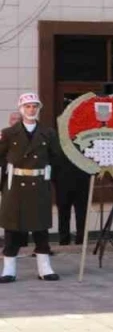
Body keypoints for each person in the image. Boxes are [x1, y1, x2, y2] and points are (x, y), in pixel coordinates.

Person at [0, 93, 60, 282]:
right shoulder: (9, 133)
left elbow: (56, 157)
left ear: (38, 109)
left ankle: (45, 268)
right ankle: (8, 269)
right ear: (21, 109)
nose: (31, 109)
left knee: (41, 228)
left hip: (39, 184)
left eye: (34, 106)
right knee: (12, 229)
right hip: (16, 185)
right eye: (27, 106)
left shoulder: (48, 133)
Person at [53, 131, 91, 248]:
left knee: (82, 213)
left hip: (82, 183)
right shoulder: (57, 143)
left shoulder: (83, 141)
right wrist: (55, 180)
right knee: (63, 213)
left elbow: (90, 161)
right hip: (62, 183)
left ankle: (81, 239)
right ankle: (64, 240)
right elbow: (53, 162)